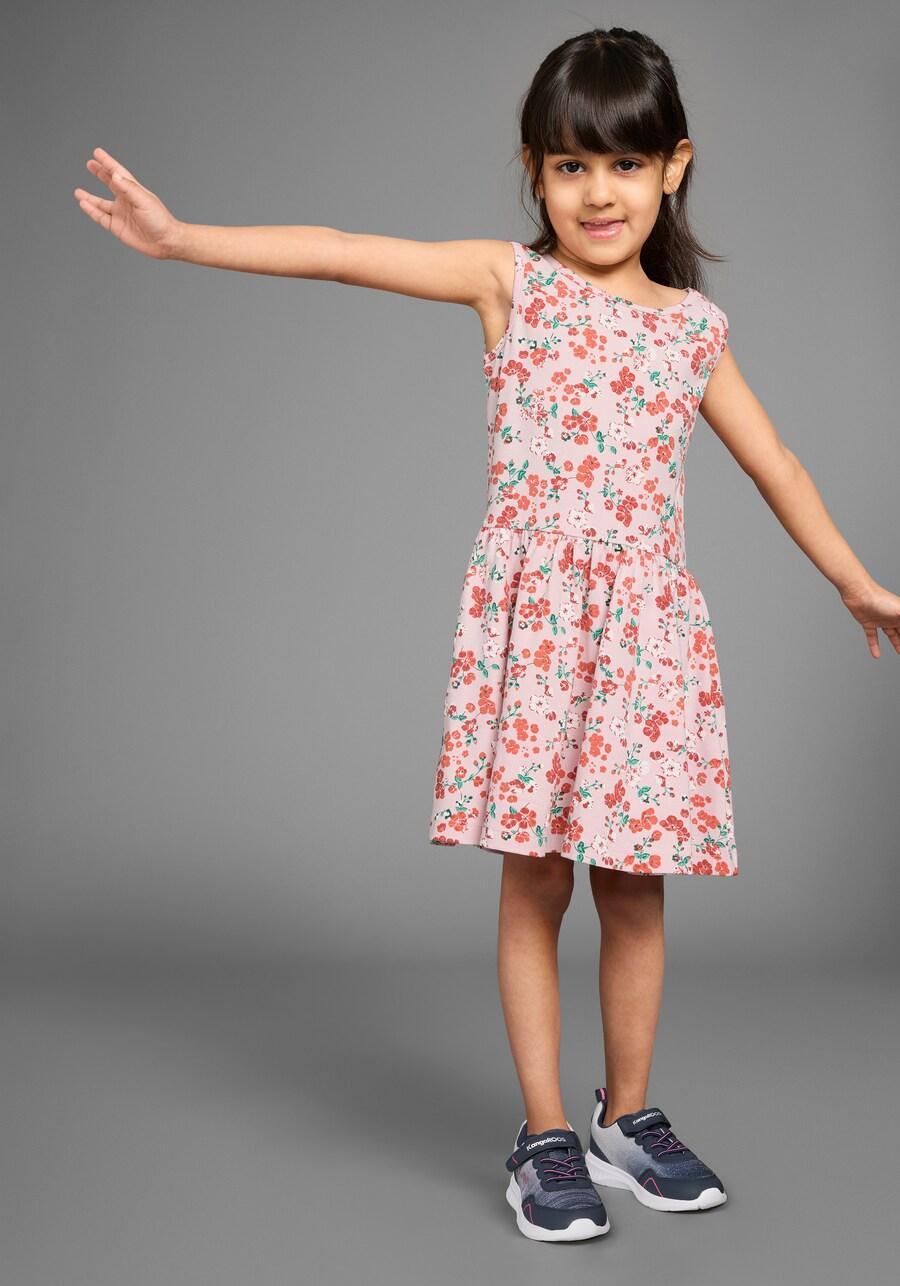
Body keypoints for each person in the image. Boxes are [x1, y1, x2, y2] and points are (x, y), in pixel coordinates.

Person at [73, 24, 900, 1248]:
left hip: (644, 644)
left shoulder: (692, 329)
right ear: (536, 174)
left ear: (673, 167)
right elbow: (344, 253)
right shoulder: (512, 284)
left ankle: (629, 1115)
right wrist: (183, 237)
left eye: (624, 164)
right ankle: (544, 1133)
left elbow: (775, 460)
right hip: (542, 633)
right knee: (537, 877)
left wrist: (854, 580)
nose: (598, 192)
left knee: (635, 885)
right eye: (570, 166)